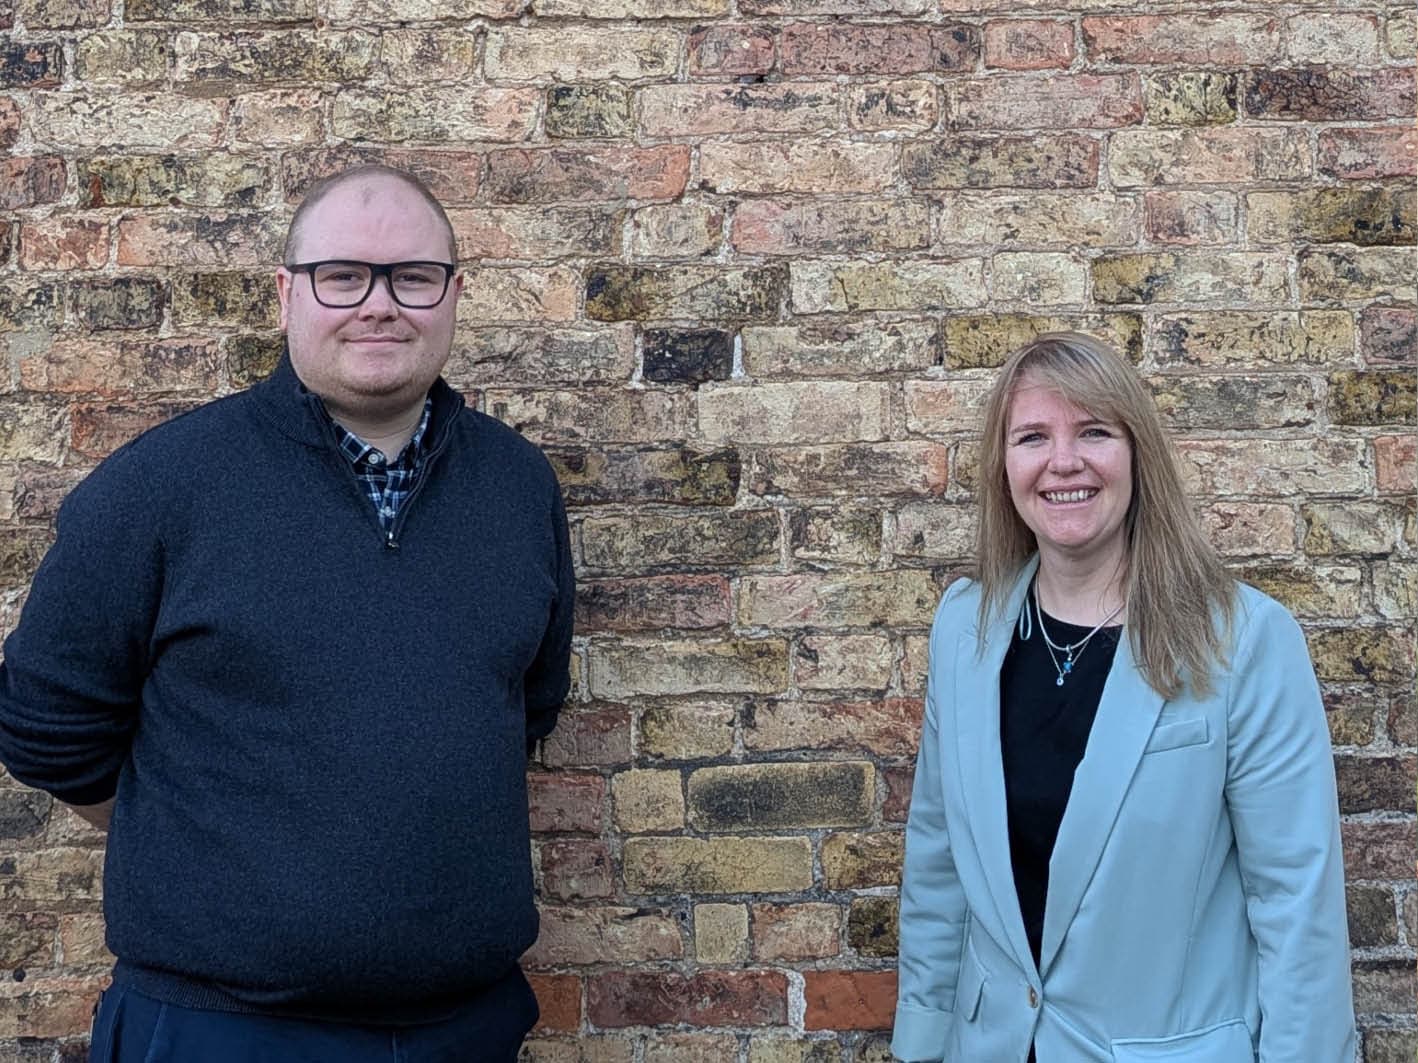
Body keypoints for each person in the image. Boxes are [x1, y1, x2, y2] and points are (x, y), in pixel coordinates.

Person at [0, 164, 575, 1062]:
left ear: (455, 294)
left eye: (413, 276)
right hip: (218, 1029)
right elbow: (46, 732)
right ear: (285, 294)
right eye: (341, 276)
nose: (379, 305)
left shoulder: (517, 486)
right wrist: (224, 842)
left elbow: (524, 710)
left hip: (467, 1026)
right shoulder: (157, 489)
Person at [892, 333, 1354, 1062]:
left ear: (1137, 453)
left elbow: (1297, 905)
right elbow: (938, 867)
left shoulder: (1245, 640)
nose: (1063, 461)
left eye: (1094, 432)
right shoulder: (965, 629)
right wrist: (920, 1041)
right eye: (1033, 436)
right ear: (1003, 464)